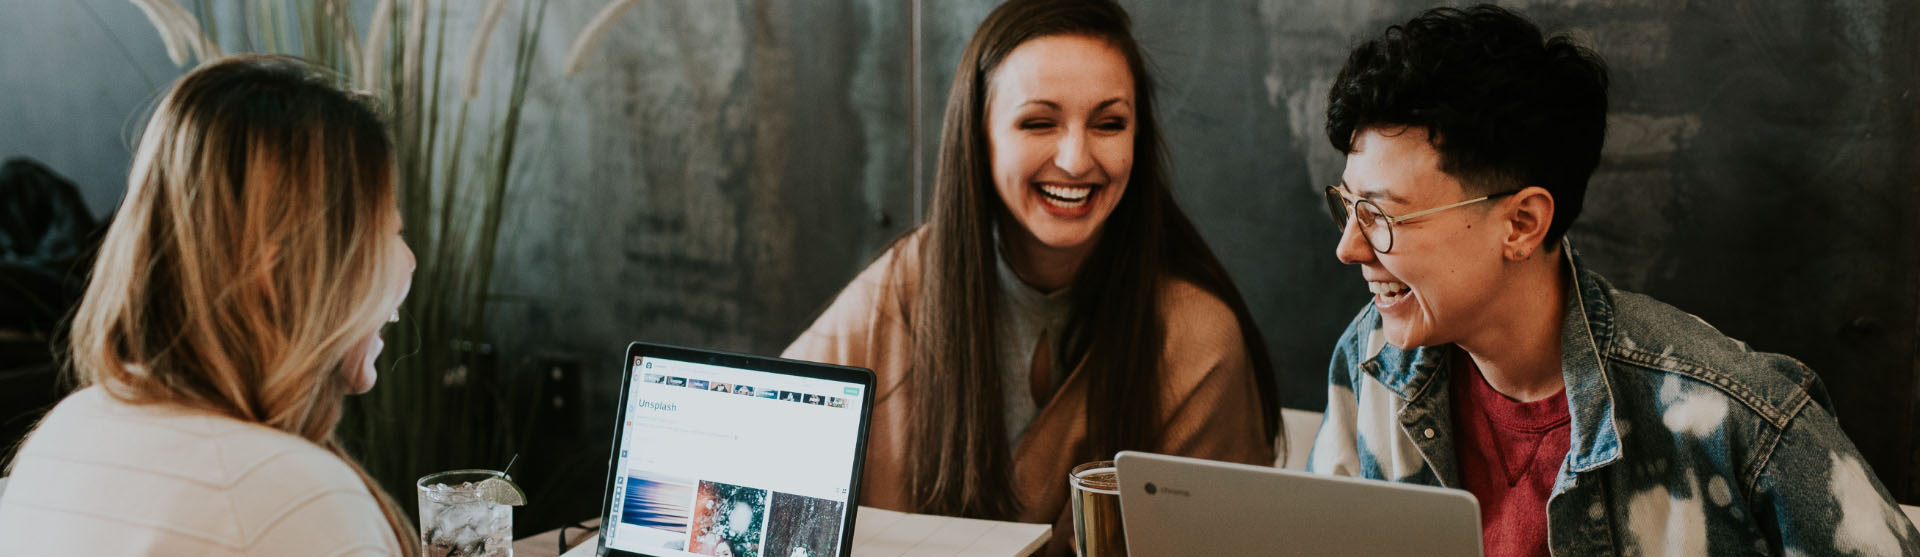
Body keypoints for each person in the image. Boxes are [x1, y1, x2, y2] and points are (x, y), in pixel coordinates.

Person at [1305, 5, 1920, 556]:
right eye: (1348, 205)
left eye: (1384, 215)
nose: (1349, 246)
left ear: (1521, 223)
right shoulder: (1372, 358)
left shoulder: (1735, 419)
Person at [783, 0, 1277, 552]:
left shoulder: (1197, 338)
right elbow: (762, 448)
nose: (1074, 159)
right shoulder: (901, 285)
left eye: (1109, 124)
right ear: (980, 136)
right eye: (1039, 122)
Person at [0, 55, 419, 555]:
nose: (409, 261)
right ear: (279, 274)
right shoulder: (295, 503)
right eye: (389, 233)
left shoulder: (61, 438)